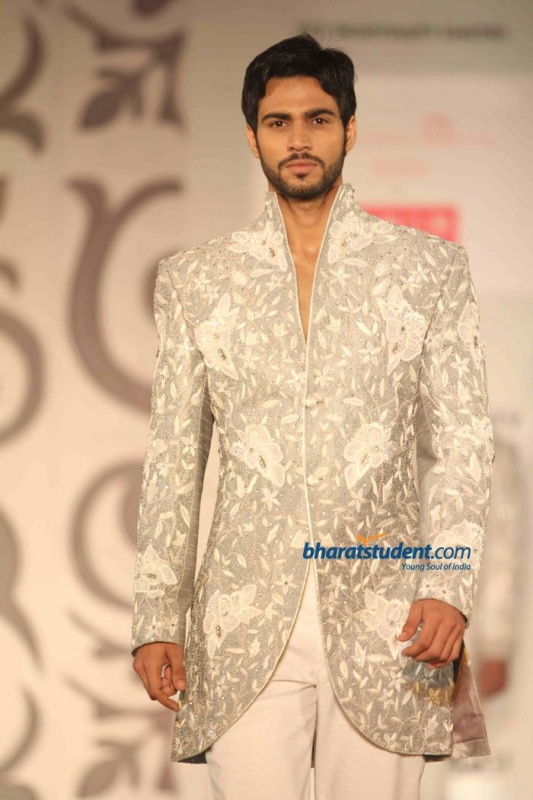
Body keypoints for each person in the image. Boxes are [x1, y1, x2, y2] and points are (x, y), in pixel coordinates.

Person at [131, 33, 495, 800]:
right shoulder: (198, 281)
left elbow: (461, 443)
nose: (298, 139)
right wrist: (158, 616)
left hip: (389, 615)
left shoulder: (427, 269)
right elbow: (172, 457)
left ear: (349, 129)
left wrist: (448, 583)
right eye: (278, 122)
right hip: (241, 619)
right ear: (253, 136)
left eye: (317, 119)